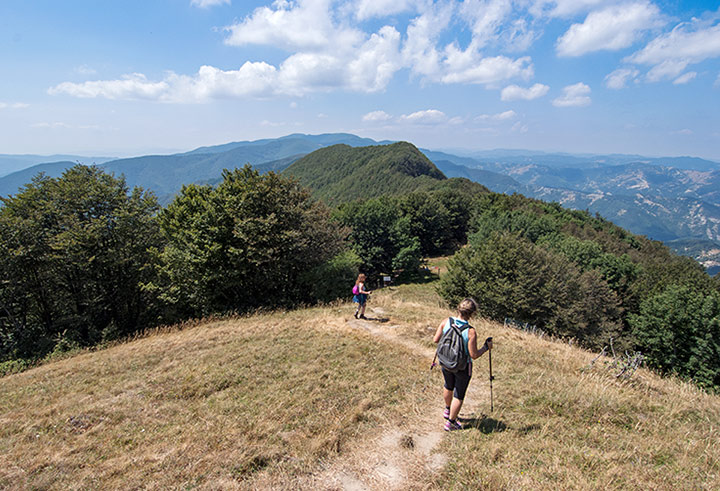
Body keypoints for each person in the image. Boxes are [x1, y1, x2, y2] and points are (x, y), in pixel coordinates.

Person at [433, 298, 493, 431]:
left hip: (445, 361)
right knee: (459, 394)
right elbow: (474, 355)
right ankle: (451, 422)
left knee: (448, 386)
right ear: (472, 314)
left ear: (458, 309)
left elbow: (435, 339)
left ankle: (447, 410)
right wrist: (486, 347)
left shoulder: (446, 321)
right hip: (462, 367)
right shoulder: (470, 331)